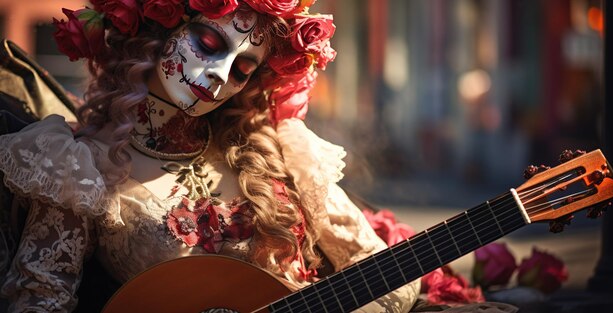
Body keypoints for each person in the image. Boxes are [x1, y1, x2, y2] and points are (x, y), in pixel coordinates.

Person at [0, 1, 426, 312]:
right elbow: (38, 302)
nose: (222, 75)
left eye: (243, 69)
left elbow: (390, 277)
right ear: (157, 34)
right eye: (208, 42)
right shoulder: (78, 167)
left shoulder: (276, 151)